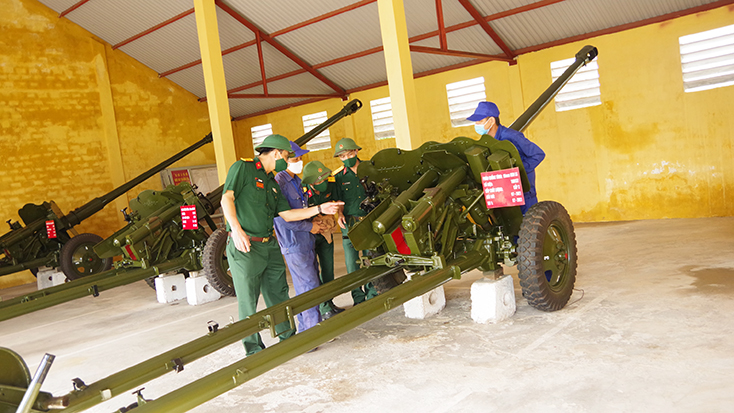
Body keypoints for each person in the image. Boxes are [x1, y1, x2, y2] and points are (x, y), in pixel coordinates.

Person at [221, 134, 343, 356]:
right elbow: (226, 198)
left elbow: (288, 214)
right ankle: (254, 350)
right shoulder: (243, 168)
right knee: (248, 301)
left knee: (279, 295)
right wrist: (236, 230)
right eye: (287, 156)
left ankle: (288, 340)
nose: (289, 160)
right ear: (276, 154)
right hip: (246, 246)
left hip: (269, 245)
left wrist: (319, 209)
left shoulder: (272, 184)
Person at [273, 141, 326, 335]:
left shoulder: (296, 181)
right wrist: (309, 226)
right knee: (309, 287)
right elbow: (282, 218)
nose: (300, 161)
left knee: (309, 286)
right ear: (285, 160)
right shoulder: (281, 182)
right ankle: (312, 335)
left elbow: (301, 210)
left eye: (301, 158)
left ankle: (308, 330)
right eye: (296, 158)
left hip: (305, 241)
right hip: (294, 242)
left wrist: (316, 221)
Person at [468, 101, 545, 214]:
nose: (476, 124)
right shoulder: (486, 142)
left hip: (524, 193)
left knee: (530, 226)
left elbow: (538, 154)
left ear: (492, 121)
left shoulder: (512, 136)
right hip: (504, 194)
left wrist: (518, 171)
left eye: (480, 121)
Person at [333, 138, 378, 305]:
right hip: (349, 224)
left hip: (368, 221)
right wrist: (339, 214)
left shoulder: (370, 169)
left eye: (349, 154)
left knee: (370, 260)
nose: (346, 158)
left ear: (356, 152)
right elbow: (337, 199)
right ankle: (358, 298)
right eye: (342, 156)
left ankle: (372, 294)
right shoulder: (338, 177)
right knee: (352, 265)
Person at [302, 160, 344, 320]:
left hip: (326, 234)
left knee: (328, 270)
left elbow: (338, 201)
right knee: (313, 272)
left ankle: (329, 302)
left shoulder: (330, 186)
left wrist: (339, 213)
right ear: (311, 182)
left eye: (324, 178)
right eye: (319, 180)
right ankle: (323, 307)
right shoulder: (303, 192)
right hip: (310, 236)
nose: (323, 182)